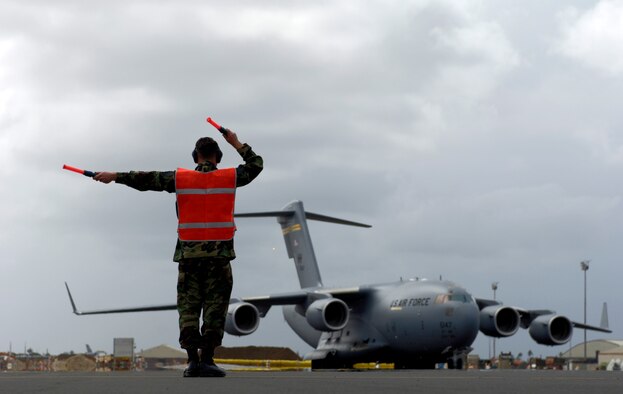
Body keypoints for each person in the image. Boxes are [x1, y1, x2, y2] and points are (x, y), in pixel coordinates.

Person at [93, 128, 263, 377]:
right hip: (219, 257)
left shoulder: (180, 179)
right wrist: (236, 142)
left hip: (189, 258)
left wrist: (115, 176)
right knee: (215, 308)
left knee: (189, 308)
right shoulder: (230, 177)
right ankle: (208, 360)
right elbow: (256, 164)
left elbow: (145, 179)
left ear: (196, 156)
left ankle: (192, 361)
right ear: (218, 157)